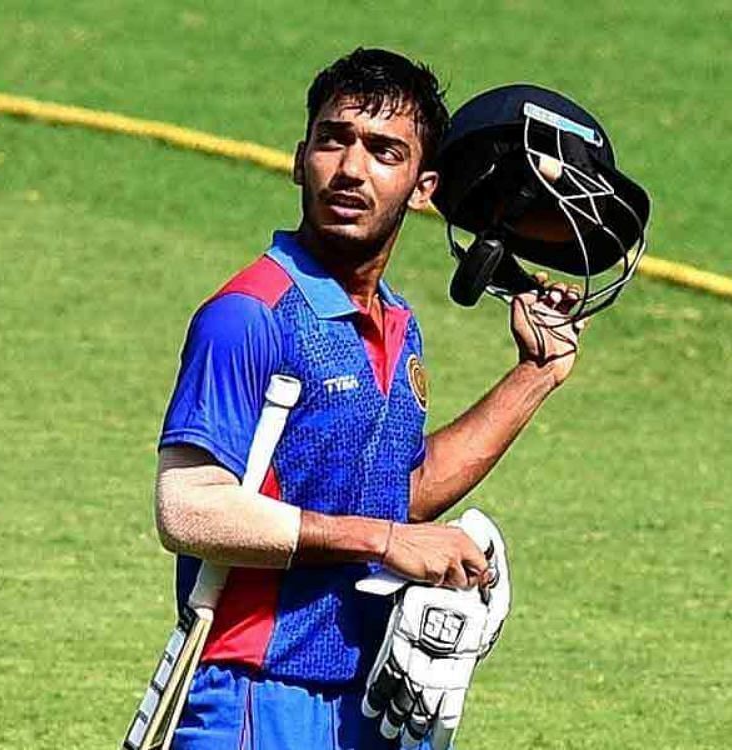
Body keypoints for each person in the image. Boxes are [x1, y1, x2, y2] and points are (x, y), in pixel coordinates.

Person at [155, 47, 585, 750]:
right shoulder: (249, 315)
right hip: (250, 699)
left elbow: (399, 496)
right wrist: (385, 542)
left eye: (385, 151)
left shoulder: (399, 328)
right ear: (301, 159)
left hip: (372, 705)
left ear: (423, 187)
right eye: (334, 140)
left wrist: (534, 373)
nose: (351, 168)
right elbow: (190, 509)